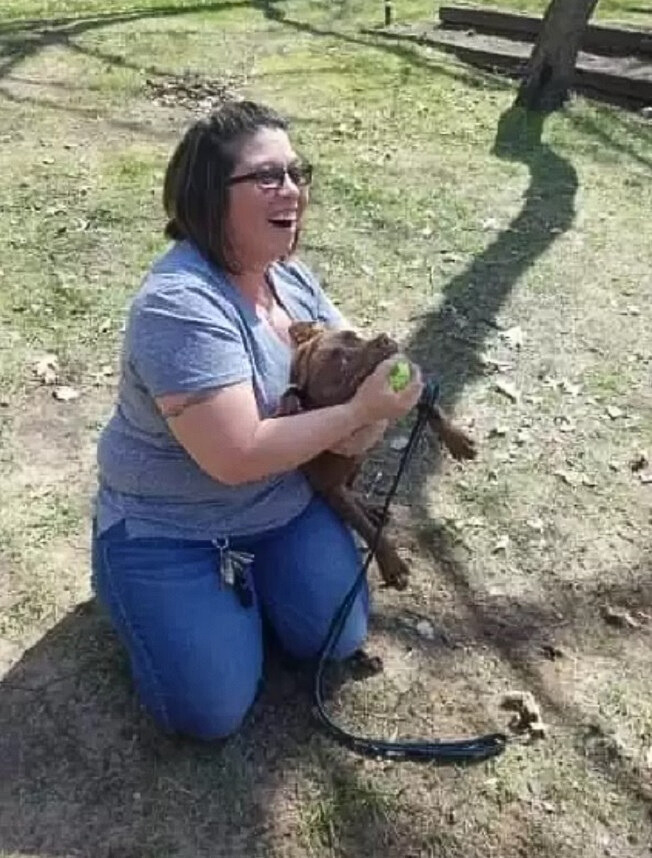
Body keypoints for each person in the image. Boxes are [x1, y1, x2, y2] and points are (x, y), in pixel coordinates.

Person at [91, 100, 423, 740]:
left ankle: (238, 601)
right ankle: (137, 586)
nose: (293, 189)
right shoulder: (179, 305)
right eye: (268, 176)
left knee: (338, 636)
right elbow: (236, 455)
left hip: (281, 507)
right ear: (211, 194)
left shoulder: (290, 277)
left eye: (298, 172)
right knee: (209, 714)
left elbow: (352, 402)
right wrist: (361, 410)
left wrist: (377, 405)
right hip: (173, 528)